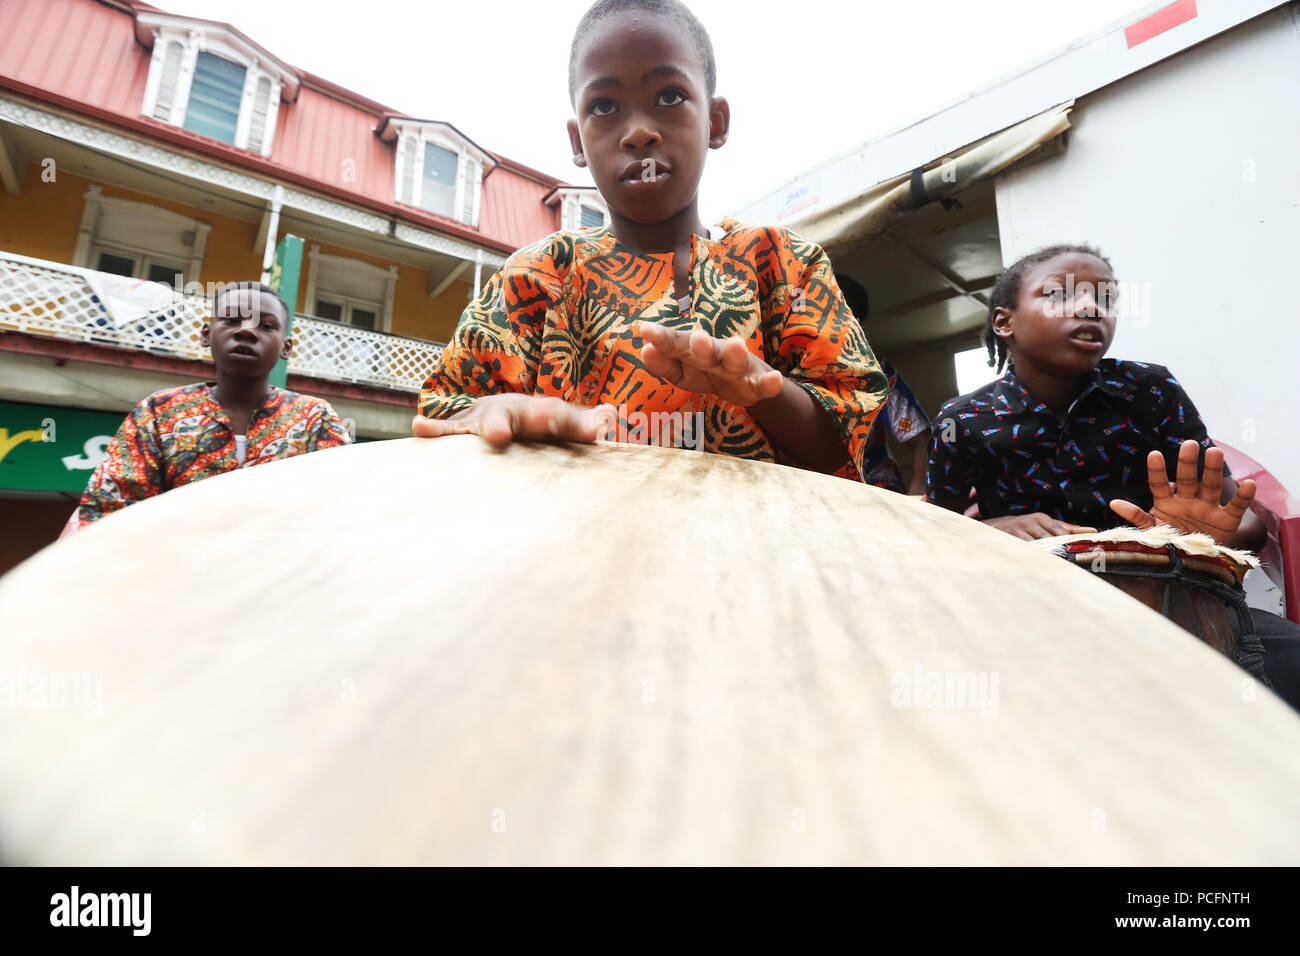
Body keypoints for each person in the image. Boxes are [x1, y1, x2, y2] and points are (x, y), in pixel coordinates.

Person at [411, 0, 887, 480]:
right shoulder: (534, 280)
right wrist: (503, 414)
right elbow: (442, 418)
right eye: (604, 106)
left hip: (752, 551)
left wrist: (763, 391)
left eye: (669, 96)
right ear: (578, 141)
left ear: (716, 122)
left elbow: (846, 448)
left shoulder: (785, 267)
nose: (638, 132)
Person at [925, 244, 1299, 706]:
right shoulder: (962, 420)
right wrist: (987, 528)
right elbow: (930, 535)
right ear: (1005, 323)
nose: (1089, 308)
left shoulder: (1150, 389)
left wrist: (1212, 537)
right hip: (1033, 610)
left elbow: (1242, 529)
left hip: (1175, 600)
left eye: (1105, 300)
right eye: (1059, 295)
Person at [78, 281, 351, 526]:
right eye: (231, 320)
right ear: (206, 334)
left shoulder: (315, 417)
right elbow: (109, 513)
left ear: (286, 347)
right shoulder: (159, 412)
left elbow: (346, 505)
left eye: (266, 326)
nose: (247, 331)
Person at [836, 274, 931, 494]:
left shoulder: (876, 373)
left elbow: (921, 439)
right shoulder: (786, 367)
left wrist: (917, 496)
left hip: (875, 489)